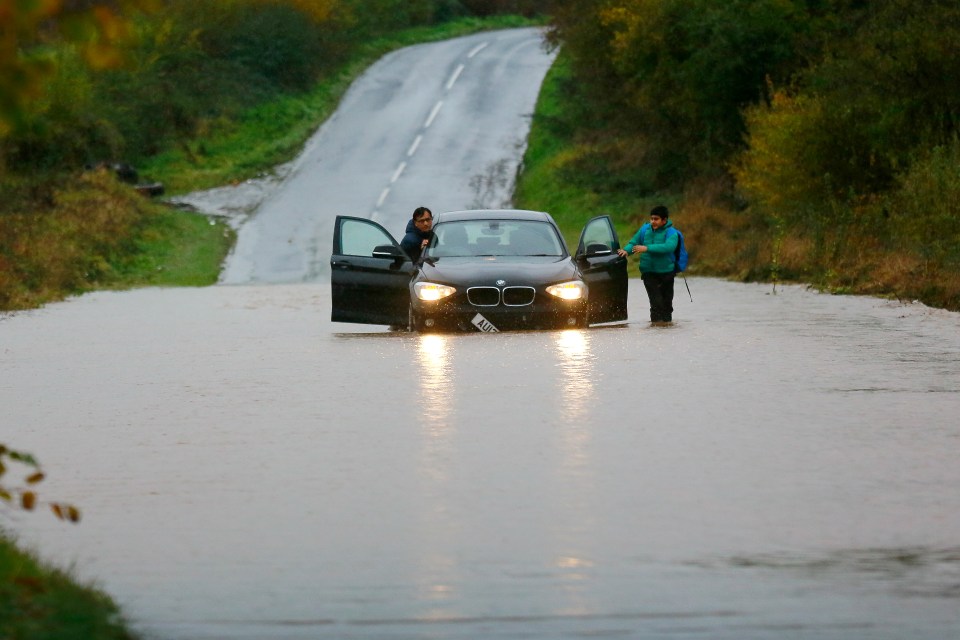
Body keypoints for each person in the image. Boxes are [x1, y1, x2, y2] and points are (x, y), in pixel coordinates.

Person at [617, 205, 679, 323]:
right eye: (651, 219)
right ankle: (656, 330)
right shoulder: (645, 229)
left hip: (667, 273)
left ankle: (666, 329)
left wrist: (647, 248)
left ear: (664, 220)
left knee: (667, 304)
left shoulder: (672, 233)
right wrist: (626, 250)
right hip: (648, 272)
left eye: (656, 219)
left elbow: (668, 247)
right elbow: (634, 242)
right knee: (656, 303)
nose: (652, 222)